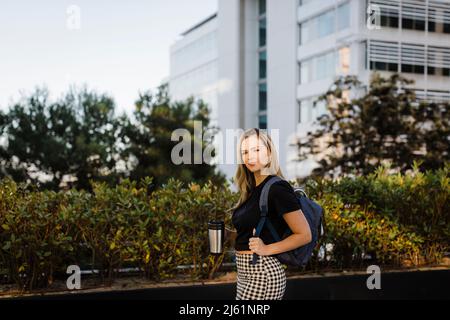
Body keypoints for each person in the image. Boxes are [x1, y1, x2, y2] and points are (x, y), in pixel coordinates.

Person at [230, 128, 312, 300]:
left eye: (256, 150)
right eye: (245, 152)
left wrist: (266, 249)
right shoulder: (252, 190)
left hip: (262, 274)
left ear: (269, 152)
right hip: (245, 273)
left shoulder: (277, 188)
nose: (250, 156)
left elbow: (304, 235)